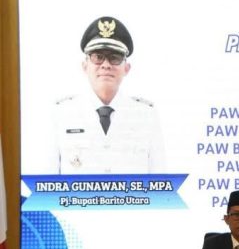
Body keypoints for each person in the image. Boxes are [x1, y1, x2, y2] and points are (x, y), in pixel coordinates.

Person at [51, 16, 165, 174]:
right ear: (85, 66)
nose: (105, 65)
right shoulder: (61, 114)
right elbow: (44, 184)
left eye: (114, 58)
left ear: (126, 68)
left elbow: (160, 182)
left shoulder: (146, 115)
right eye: (98, 57)